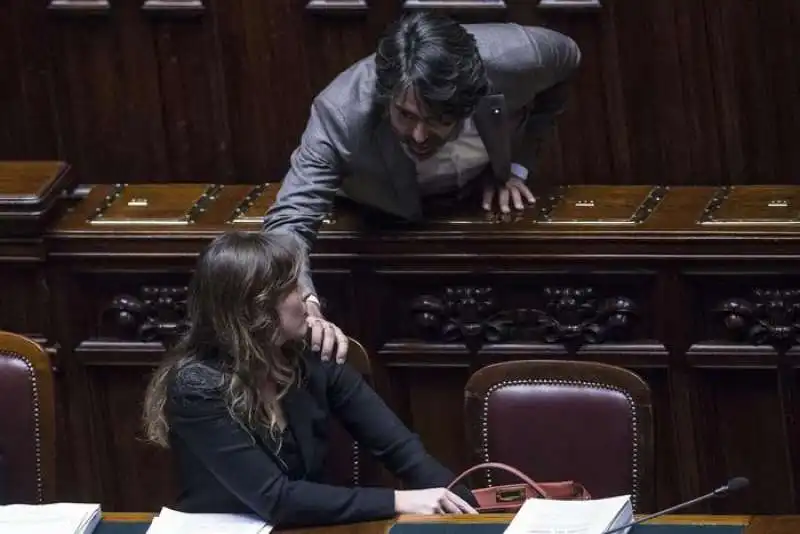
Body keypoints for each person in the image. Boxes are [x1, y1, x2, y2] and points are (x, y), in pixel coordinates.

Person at [263, 11, 581, 360]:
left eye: (436, 120)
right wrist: (302, 296)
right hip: (382, 213)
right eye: (406, 115)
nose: (418, 135)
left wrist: (517, 165)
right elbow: (290, 220)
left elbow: (568, 66)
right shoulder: (341, 111)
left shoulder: (521, 57)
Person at [141, 231, 478, 528]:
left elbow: (400, 449)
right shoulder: (196, 387)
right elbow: (276, 498)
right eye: (291, 287)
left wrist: (466, 508)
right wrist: (401, 501)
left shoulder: (308, 356)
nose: (307, 296)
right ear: (255, 310)